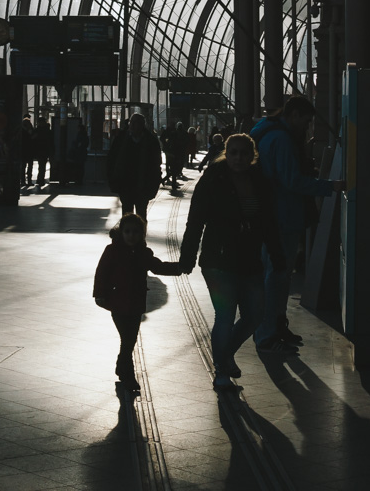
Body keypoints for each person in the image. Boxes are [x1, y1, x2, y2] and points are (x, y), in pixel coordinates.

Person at [179, 133, 285, 391]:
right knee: (225, 316)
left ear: (252, 155)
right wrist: (187, 258)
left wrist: (277, 255)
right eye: (233, 152)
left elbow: (269, 223)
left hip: (249, 258)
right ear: (226, 153)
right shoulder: (213, 179)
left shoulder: (259, 181)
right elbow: (196, 220)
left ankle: (225, 355)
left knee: (255, 315)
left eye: (244, 153)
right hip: (218, 259)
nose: (238, 158)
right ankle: (221, 372)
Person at [250, 96, 344, 350]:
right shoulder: (282, 140)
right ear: (293, 115)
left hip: (271, 215)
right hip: (283, 215)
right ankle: (267, 333)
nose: (308, 126)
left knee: (275, 273)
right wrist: (330, 186)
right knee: (276, 276)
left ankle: (274, 326)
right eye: (306, 120)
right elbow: (292, 181)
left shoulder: (267, 131)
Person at [93, 212, 182, 392]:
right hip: (117, 302)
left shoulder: (144, 253)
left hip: (136, 304)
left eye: (135, 232)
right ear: (121, 232)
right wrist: (99, 294)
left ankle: (121, 367)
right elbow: (101, 272)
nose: (131, 236)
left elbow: (158, 267)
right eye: (127, 231)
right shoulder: (112, 251)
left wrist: (180, 267)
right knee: (127, 339)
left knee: (129, 339)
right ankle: (128, 376)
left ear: (141, 234)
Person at [107, 112, 162, 220]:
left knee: (141, 216)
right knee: (127, 215)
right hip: (125, 185)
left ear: (142, 125)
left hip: (143, 186)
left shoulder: (151, 141)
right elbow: (111, 160)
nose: (132, 126)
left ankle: (140, 231)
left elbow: (156, 165)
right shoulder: (121, 139)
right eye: (131, 123)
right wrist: (113, 180)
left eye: (135, 123)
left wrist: (153, 186)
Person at [34, 116, 53, 187]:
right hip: (45, 150)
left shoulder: (37, 130)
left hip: (39, 150)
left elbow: (33, 138)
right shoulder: (48, 131)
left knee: (41, 165)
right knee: (42, 165)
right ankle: (41, 179)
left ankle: (40, 179)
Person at [20, 112, 35, 186]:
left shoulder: (21, 128)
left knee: (23, 166)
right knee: (30, 166)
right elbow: (33, 136)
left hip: (22, 149)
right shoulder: (30, 126)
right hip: (30, 149)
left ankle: (23, 181)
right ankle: (29, 180)